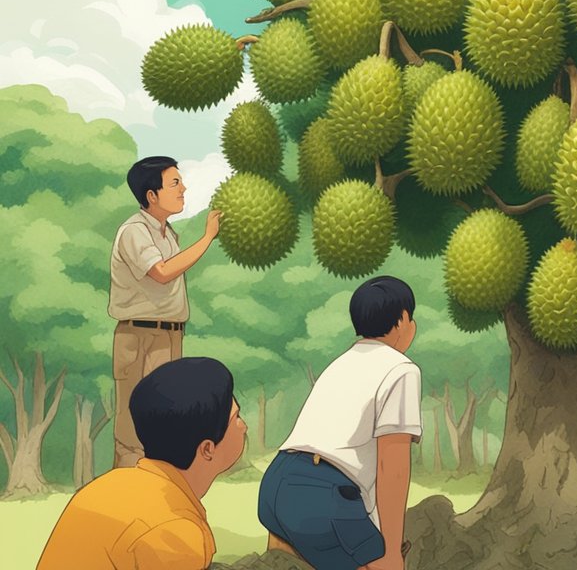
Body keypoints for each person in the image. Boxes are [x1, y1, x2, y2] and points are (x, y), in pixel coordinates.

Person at [259, 276, 423, 570]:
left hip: (276, 484)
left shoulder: (342, 362)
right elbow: (392, 465)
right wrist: (390, 553)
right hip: (322, 495)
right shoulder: (401, 369)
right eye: (412, 318)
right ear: (401, 321)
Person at [38, 357, 246, 569]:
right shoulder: (175, 531)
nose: (244, 427)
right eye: (237, 417)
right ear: (207, 449)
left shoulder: (114, 483)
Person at [110, 156, 223, 467]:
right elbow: (161, 272)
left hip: (169, 335)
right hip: (140, 336)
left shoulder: (167, 233)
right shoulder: (135, 231)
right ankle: (125, 499)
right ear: (151, 195)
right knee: (133, 426)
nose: (183, 188)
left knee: (164, 422)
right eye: (175, 183)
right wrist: (207, 238)